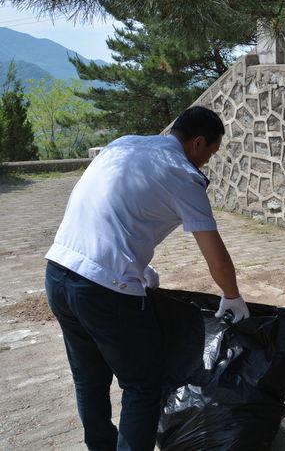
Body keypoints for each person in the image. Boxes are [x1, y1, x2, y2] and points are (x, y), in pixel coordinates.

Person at [44, 106, 250, 451]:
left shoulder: (124, 145)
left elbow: (107, 209)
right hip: (106, 290)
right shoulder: (183, 175)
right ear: (198, 143)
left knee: (89, 379)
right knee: (141, 386)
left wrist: (138, 267)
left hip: (59, 272)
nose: (207, 162)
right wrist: (231, 294)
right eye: (210, 153)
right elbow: (213, 249)